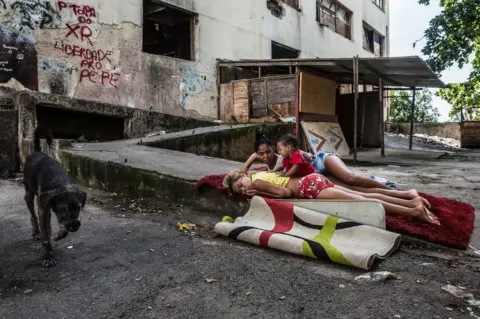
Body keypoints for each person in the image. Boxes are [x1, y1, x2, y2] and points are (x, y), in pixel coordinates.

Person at [223, 171, 440, 225]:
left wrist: (258, 192)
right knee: (361, 194)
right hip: (312, 180)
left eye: (241, 185)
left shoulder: (257, 182)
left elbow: (286, 193)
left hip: (308, 188)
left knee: (361, 201)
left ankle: (413, 210)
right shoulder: (258, 174)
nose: (244, 189)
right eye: (240, 190)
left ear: (244, 176)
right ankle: (410, 198)